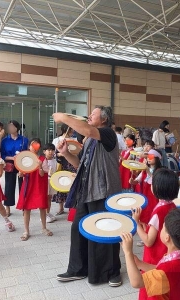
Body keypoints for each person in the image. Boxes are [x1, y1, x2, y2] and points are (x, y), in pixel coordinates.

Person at [53, 106, 122, 287]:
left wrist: (63, 116)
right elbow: (79, 164)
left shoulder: (107, 133)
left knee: (106, 231)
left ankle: (113, 272)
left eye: (93, 114)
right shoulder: (89, 140)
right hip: (87, 190)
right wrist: (66, 153)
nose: (89, 116)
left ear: (104, 119)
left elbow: (87, 129)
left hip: (104, 191)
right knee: (79, 230)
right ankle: (78, 269)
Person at [120, 209, 180, 300]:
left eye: (163, 227)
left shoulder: (169, 267)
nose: (161, 230)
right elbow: (160, 269)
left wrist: (127, 252)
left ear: (167, 238)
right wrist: (140, 263)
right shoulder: (179, 255)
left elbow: (137, 282)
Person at [131, 168, 178, 299]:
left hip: (154, 254)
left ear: (156, 188)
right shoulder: (172, 205)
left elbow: (148, 240)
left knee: (152, 288)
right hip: (166, 251)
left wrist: (135, 222)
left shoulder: (158, 211)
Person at [16, 138, 53, 241]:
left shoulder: (42, 159)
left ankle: (44, 228)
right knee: (27, 208)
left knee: (42, 206)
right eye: (33, 145)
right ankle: (26, 231)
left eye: (37, 145)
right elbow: (22, 173)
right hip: (28, 185)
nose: (35, 147)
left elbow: (42, 174)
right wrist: (20, 173)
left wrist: (40, 166)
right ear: (29, 146)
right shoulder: (24, 158)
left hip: (39, 185)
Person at [0, 120, 29, 216]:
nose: (10, 128)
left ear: (17, 128)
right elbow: (2, 154)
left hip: (22, 163)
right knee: (9, 186)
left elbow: (27, 151)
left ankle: (24, 206)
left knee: (23, 185)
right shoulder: (5, 141)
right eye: (9, 127)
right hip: (10, 164)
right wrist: (12, 158)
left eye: (12, 126)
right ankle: (7, 207)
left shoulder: (24, 139)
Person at [129, 149, 162, 225]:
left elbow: (156, 180)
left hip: (154, 197)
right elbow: (137, 180)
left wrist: (148, 171)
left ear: (157, 159)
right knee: (144, 215)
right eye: (147, 157)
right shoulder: (144, 170)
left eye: (151, 157)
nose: (148, 159)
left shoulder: (160, 171)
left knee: (152, 214)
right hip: (144, 196)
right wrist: (132, 181)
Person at [52, 124, 78, 215]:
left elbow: (77, 152)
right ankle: (61, 207)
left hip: (72, 165)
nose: (72, 132)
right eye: (71, 130)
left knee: (71, 184)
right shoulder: (57, 140)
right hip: (63, 165)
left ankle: (71, 206)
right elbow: (54, 154)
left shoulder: (74, 140)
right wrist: (64, 154)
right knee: (61, 184)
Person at [44, 143, 57, 223]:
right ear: (44, 151)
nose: (50, 152)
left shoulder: (55, 161)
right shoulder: (42, 160)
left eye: (52, 150)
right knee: (45, 198)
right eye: (48, 150)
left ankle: (47, 213)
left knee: (49, 197)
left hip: (52, 181)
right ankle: (44, 215)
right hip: (45, 181)